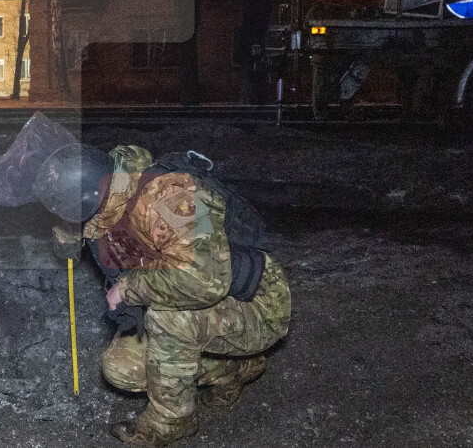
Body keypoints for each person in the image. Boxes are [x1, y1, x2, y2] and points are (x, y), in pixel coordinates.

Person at [36, 143, 291, 447]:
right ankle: (233, 367)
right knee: (122, 369)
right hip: (204, 301)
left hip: (258, 301)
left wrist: (129, 288)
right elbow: (82, 239)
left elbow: (205, 280)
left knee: (167, 318)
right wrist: (68, 229)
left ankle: (172, 421)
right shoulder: (108, 190)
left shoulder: (172, 197)